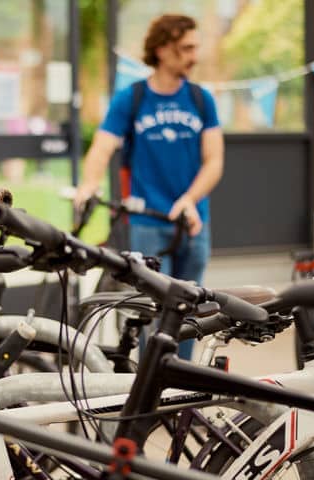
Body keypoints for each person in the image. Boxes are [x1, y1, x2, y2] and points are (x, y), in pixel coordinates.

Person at [75, 14, 224, 360]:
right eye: (186, 48)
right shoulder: (133, 98)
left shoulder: (202, 100)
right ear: (162, 50)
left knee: (188, 313)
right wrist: (88, 184)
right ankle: (151, 395)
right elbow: (102, 146)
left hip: (192, 221)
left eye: (195, 47)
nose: (194, 56)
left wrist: (190, 198)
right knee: (153, 314)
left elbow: (214, 160)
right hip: (147, 225)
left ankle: (179, 391)